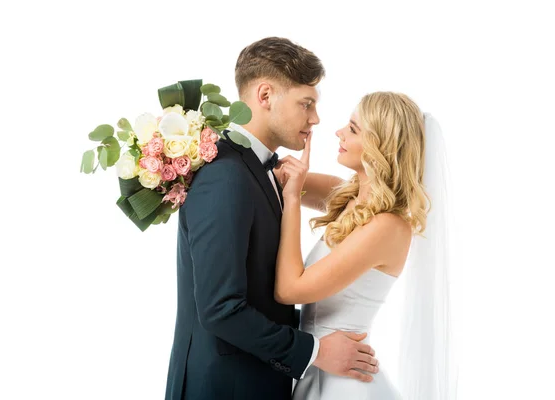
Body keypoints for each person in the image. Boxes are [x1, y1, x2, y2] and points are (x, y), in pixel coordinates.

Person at [164, 37, 379, 400]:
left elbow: (260, 295)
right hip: (223, 388)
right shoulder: (226, 174)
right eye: (306, 104)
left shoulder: (263, 170)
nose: (315, 118)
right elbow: (220, 309)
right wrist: (315, 352)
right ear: (265, 96)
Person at [273, 92, 455, 399]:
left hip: (345, 383)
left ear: (381, 147)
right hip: (319, 368)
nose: (339, 132)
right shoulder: (348, 196)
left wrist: (292, 199)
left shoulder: (388, 226)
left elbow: (289, 290)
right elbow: (274, 175)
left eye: (353, 129)